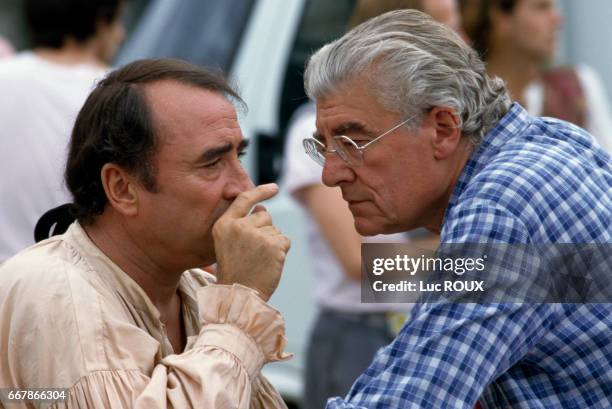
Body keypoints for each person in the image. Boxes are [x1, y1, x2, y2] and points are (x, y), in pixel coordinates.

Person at [302, 9, 611, 408]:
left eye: (353, 143)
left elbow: (409, 398)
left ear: (444, 128)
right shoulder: (552, 139)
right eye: (324, 146)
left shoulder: (502, 206)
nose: (331, 174)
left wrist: (230, 334)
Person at [0, 59, 291, 408]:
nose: (244, 187)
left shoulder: (197, 289)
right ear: (122, 188)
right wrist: (241, 307)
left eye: (238, 156)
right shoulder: (58, 294)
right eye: (212, 163)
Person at [282, 2, 457, 408]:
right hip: (359, 337)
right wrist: (491, 259)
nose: (461, 43)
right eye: (444, 30)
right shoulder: (319, 129)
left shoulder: (427, 126)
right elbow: (368, 268)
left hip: (421, 326)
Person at [0, 0, 126, 263]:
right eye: (117, 20)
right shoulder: (121, 96)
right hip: (75, 284)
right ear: (101, 21)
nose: (121, 34)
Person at [461, 0, 612, 151]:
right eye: (541, 7)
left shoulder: (579, 84)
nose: (558, 18)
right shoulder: (465, 98)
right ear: (500, 16)